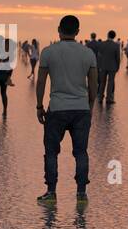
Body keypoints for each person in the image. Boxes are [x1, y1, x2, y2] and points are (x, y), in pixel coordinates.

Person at [35, 15, 97, 205]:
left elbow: (41, 82)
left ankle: (51, 192)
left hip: (57, 108)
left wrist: (39, 105)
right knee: (81, 152)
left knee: (52, 151)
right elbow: (94, 84)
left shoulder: (48, 52)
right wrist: (90, 105)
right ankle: (81, 194)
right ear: (78, 31)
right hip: (81, 109)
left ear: (59, 29)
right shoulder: (88, 54)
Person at [95, 28, 121, 105]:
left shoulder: (102, 44)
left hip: (103, 66)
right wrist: (118, 66)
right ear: (114, 36)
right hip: (112, 66)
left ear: (107, 35)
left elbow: (99, 55)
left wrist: (99, 65)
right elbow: (118, 58)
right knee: (110, 82)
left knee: (102, 82)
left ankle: (100, 98)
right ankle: (108, 98)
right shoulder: (116, 45)